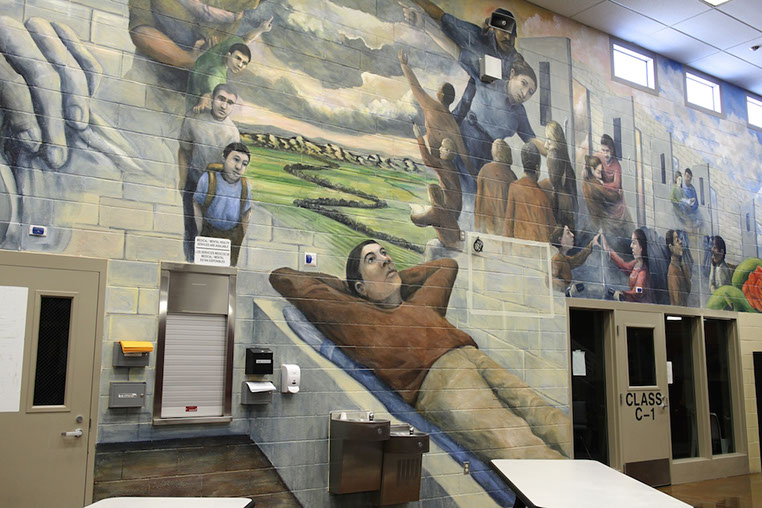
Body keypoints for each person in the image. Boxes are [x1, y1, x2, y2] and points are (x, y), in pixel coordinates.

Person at [270, 239, 569, 460]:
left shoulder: (423, 302)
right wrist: (354, 290)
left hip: (472, 356)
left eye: (384, 253)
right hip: (439, 382)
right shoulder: (358, 316)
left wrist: (391, 279)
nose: (385, 259)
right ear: (359, 288)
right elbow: (284, 278)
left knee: (545, 415)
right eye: (372, 259)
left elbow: (446, 266)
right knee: (517, 443)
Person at [401, 2, 542, 171]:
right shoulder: (473, 36)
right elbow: (444, 22)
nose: (508, 38)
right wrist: (423, 22)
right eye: (503, 31)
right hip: (468, 118)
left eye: (512, 35)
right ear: (492, 29)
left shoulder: (514, 59)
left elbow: (525, 77)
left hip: (487, 135)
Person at [178, 83, 241, 262]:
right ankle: (190, 264)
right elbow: (184, 151)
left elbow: (232, 170)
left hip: (216, 189)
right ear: (212, 98)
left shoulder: (233, 133)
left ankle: (206, 269)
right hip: (193, 181)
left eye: (230, 102)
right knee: (191, 230)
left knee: (211, 233)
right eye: (221, 99)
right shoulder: (193, 119)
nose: (224, 106)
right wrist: (182, 180)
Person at [398, 50, 474, 178]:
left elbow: (415, 86)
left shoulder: (431, 107)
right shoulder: (453, 125)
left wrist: (404, 65)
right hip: (445, 168)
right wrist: (474, 175)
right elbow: (464, 155)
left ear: (440, 94)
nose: (437, 91)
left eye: (438, 89)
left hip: (436, 164)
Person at [128, 0, 261, 69]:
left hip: (197, 91)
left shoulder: (236, 8)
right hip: (152, 82)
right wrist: (189, 59)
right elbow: (140, 31)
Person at [185, 17, 272, 112]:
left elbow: (244, 40)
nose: (240, 65)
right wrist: (204, 102)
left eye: (244, 63)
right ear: (228, 55)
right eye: (238, 59)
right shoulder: (216, 73)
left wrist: (261, 29)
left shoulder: (231, 45)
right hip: (193, 103)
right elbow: (209, 91)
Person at [192, 142, 252, 266]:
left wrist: (241, 239)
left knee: (229, 270)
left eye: (244, 164)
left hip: (232, 236)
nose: (239, 167)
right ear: (224, 158)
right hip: (209, 234)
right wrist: (198, 233)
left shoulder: (245, 186)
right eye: (236, 160)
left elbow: (246, 214)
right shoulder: (209, 179)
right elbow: (196, 205)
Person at [409, 124, 462, 249]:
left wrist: (419, 137)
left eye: (442, 147)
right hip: (454, 209)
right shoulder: (451, 167)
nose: (439, 149)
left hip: (449, 208)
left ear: (448, 152)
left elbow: (427, 159)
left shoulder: (444, 165)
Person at [504, 142, 555, 242]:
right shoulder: (543, 197)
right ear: (537, 168)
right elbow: (552, 230)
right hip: (539, 249)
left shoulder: (514, 188)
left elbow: (508, 225)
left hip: (519, 248)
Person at [539, 121, 578, 234]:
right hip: (568, 217)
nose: (545, 145)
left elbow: (553, 184)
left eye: (549, 140)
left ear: (556, 140)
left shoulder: (553, 155)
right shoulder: (567, 164)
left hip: (559, 215)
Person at [475, 139, 516, 234]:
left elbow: (478, 200)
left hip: (486, 226)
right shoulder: (511, 176)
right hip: (503, 228)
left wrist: (477, 226)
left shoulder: (484, 170)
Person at [601, 229, 651, 303]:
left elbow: (638, 291)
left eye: (634, 243)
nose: (631, 246)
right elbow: (624, 266)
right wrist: (608, 250)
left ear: (641, 248)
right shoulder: (636, 264)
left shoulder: (642, 272)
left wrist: (622, 294)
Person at [550, 225, 599, 295]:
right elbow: (550, 280)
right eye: (568, 233)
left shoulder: (563, 258)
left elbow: (576, 260)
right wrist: (568, 289)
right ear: (560, 240)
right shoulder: (557, 259)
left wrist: (591, 244)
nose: (572, 235)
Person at [666, 230, 692, 306]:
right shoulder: (673, 272)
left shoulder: (680, 267)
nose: (681, 242)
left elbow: (688, 289)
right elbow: (677, 301)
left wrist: (683, 266)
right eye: (677, 240)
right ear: (671, 247)